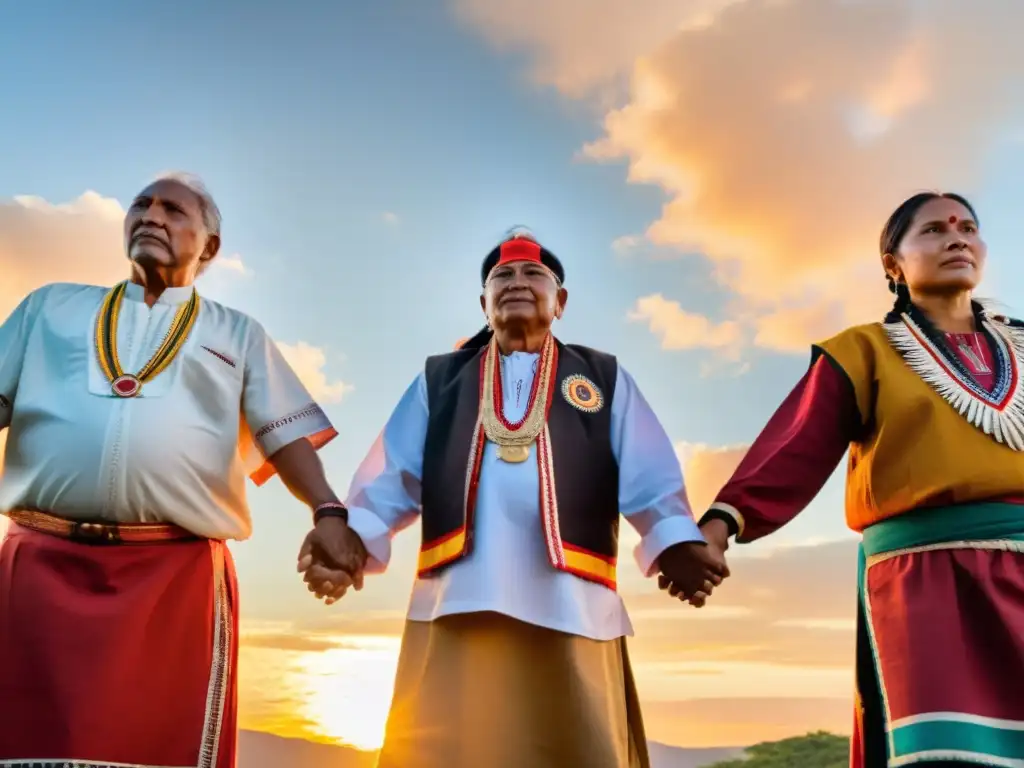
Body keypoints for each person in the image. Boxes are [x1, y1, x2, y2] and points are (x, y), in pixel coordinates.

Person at [300, 228, 727, 768]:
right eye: (501, 276)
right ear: (484, 303)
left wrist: (674, 540)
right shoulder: (441, 379)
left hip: (573, 601)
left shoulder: (603, 377)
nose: (516, 282)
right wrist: (350, 544)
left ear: (561, 302)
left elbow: (651, 473)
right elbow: (391, 478)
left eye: (533, 274)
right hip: (458, 599)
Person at [0, 172, 358, 768]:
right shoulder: (50, 307)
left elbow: (286, 437)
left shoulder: (237, 334)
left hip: (172, 580)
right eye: (141, 205)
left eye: (174, 210)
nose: (152, 216)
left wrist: (328, 511)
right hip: (38, 570)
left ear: (209, 247)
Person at [696, 192, 1024, 768]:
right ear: (892, 265)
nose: (956, 238)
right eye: (932, 231)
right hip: (926, 583)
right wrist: (721, 525)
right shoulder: (863, 351)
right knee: (945, 755)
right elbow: (794, 446)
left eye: (967, 227)